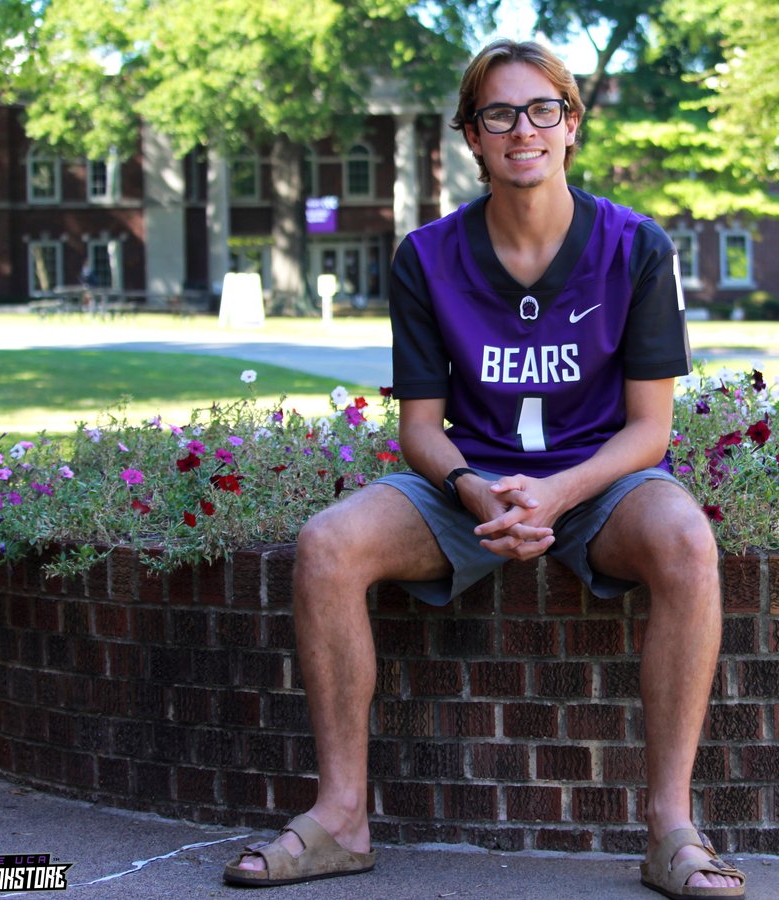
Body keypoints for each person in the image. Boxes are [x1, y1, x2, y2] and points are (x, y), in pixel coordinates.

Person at [224, 38, 744, 898]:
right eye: (498, 114)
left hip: (599, 484)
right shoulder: (425, 257)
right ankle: (341, 818)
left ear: (571, 124)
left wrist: (558, 492)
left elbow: (650, 432)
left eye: (544, 109)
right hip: (471, 485)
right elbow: (420, 430)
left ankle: (670, 829)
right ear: (472, 135)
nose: (523, 129)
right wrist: (473, 488)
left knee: (687, 541)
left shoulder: (638, 248)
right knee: (327, 545)